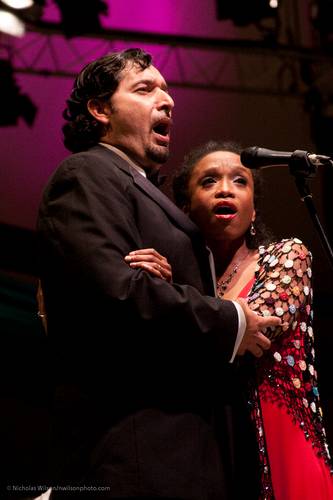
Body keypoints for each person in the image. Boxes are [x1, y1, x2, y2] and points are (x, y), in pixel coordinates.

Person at [36, 49, 280, 500]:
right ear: (100, 109)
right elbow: (114, 293)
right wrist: (233, 321)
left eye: (167, 90)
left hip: (186, 457)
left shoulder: (144, 191)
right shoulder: (88, 172)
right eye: (145, 89)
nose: (166, 100)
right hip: (136, 455)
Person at [125, 140, 333, 499]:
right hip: (210, 453)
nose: (225, 189)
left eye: (240, 181)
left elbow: (251, 335)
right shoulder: (187, 284)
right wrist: (155, 286)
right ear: (185, 209)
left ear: (253, 210)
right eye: (208, 182)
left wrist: (167, 296)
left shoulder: (287, 256)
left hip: (283, 447)